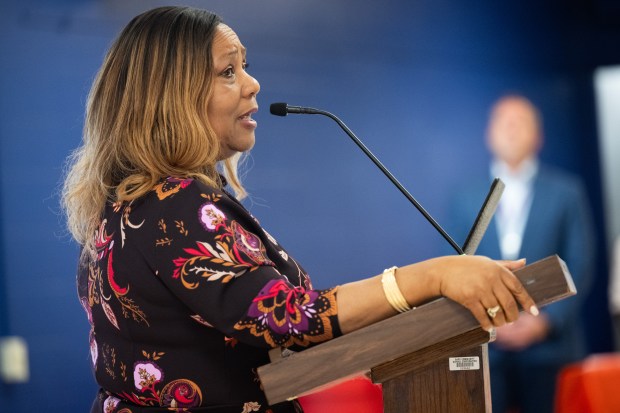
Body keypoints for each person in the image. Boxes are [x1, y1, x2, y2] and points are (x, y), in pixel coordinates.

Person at [62, 7, 539, 412]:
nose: (252, 84)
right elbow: (286, 317)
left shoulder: (130, 208)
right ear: (172, 96)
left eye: (245, 66)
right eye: (228, 71)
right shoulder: (172, 205)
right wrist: (433, 277)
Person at [448, 95, 595, 413]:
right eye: (504, 122)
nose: (512, 129)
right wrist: (490, 323)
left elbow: (580, 262)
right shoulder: (464, 197)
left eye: (521, 122)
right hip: (486, 347)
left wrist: (545, 323)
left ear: (538, 136)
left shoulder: (567, 192)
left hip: (549, 348)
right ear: (489, 134)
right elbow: (452, 268)